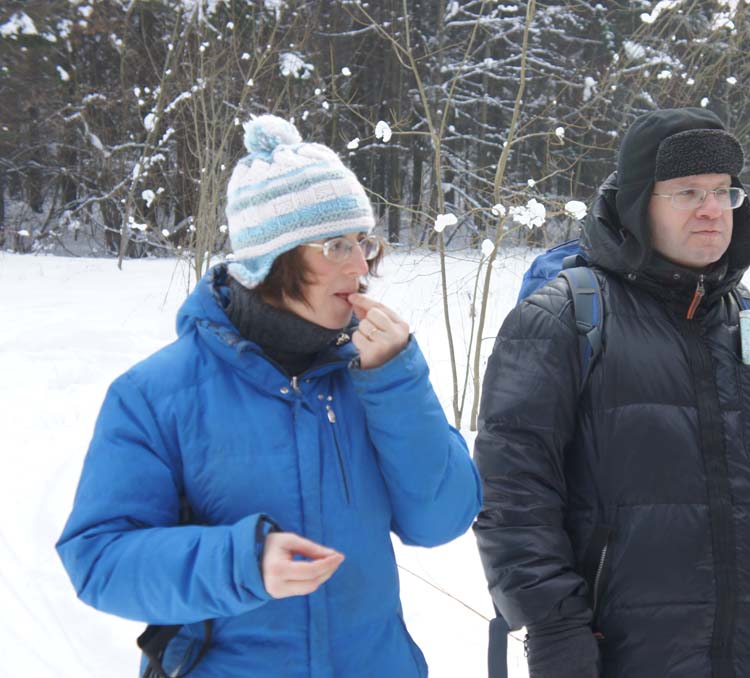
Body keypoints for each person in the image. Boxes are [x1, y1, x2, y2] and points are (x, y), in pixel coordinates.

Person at [56, 115, 482, 677]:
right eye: (336, 245)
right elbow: (99, 560)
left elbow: (442, 518)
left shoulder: (373, 372)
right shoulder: (156, 395)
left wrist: (397, 382)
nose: (361, 266)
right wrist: (240, 564)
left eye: (363, 242)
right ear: (271, 262)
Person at [473, 108, 750, 678]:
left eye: (723, 192)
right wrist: (554, 628)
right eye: (687, 192)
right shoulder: (563, 318)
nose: (712, 209)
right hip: (620, 653)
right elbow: (513, 489)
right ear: (639, 204)